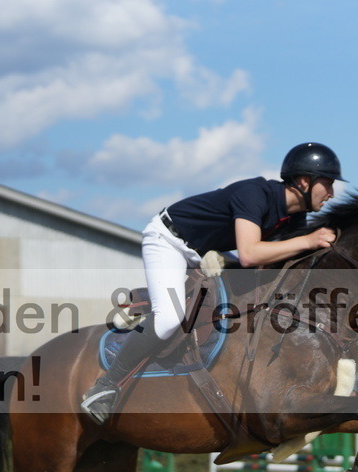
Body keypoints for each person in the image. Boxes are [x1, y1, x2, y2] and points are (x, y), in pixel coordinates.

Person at [80, 142, 344, 425]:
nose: (331, 193)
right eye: (326, 184)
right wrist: (308, 240)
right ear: (304, 181)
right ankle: (106, 385)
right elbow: (250, 254)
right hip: (170, 240)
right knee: (170, 317)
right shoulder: (254, 193)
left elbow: (270, 264)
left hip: (206, 251)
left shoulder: (295, 216)